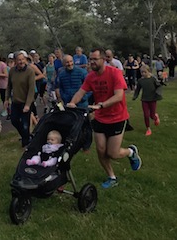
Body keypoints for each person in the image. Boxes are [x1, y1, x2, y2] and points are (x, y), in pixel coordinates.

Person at [67, 48, 142, 189]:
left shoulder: (114, 73)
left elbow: (119, 96)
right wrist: (72, 103)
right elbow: (81, 92)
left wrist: (101, 105)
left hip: (117, 117)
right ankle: (112, 177)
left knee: (113, 153)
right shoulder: (91, 77)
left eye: (95, 59)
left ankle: (131, 152)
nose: (92, 62)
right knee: (101, 150)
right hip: (100, 118)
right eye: (90, 59)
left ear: (103, 60)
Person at [55, 55, 91, 151]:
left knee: (85, 124)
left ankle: (86, 145)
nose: (69, 64)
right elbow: (59, 87)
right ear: (64, 64)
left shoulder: (82, 72)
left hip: (82, 103)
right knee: (72, 124)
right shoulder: (61, 75)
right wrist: (62, 97)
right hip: (68, 104)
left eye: (71, 61)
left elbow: (90, 87)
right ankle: (75, 143)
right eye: (67, 62)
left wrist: (84, 97)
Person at [4, 51, 36, 147]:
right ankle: (27, 136)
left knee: (25, 124)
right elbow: (9, 86)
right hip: (16, 101)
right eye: (19, 60)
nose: (21, 61)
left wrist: (27, 104)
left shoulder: (30, 71)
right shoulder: (12, 71)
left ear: (25, 60)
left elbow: (31, 89)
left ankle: (25, 144)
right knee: (14, 120)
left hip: (26, 102)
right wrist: (6, 99)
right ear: (15, 61)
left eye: (23, 59)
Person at [133, 65, 162, 136]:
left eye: (144, 72)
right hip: (144, 100)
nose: (143, 74)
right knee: (146, 115)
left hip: (152, 99)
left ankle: (155, 117)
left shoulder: (153, 79)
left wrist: (158, 91)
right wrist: (135, 96)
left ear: (149, 72)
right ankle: (148, 129)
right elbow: (137, 90)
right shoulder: (140, 81)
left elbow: (158, 86)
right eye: (142, 72)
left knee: (152, 115)